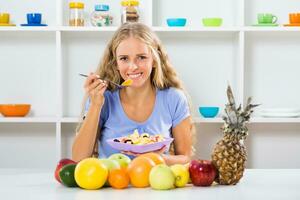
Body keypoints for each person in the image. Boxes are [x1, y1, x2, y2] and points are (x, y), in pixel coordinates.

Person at [72, 22, 194, 165]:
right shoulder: (103, 98)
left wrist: (156, 159)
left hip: (154, 185)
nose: (133, 67)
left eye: (141, 57)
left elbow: (185, 159)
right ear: (115, 64)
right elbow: (78, 159)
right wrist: (95, 105)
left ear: (154, 59)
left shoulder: (174, 98)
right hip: (111, 185)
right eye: (124, 58)